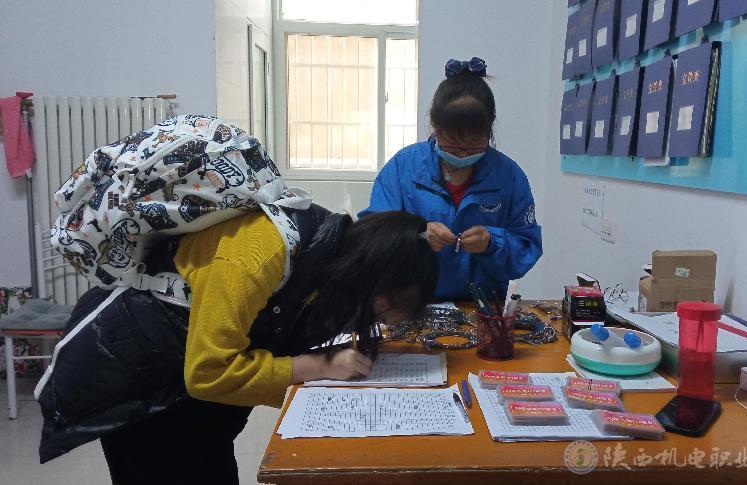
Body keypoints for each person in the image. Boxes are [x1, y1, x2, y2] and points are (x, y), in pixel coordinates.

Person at [38, 206, 437, 485]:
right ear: (373, 276)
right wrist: (319, 366)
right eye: (384, 309)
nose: (382, 320)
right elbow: (208, 373)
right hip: (141, 383)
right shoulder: (260, 253)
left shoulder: (328, 255)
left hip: (186, 391)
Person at [359, 57, 542, 300]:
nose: (463, 155)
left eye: (474, 145)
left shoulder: (509, 177)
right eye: (453, 145)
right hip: (413, 304)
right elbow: (372, 240)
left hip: (482, 309)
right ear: (435, 127)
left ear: (489, 130)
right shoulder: (403, 168)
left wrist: (492, 242)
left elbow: (527, 247)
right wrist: (417, 235)